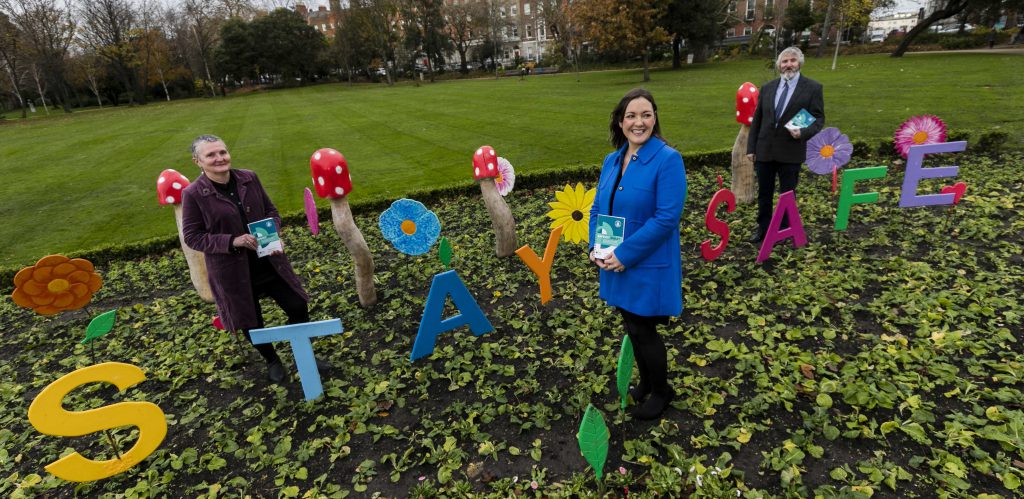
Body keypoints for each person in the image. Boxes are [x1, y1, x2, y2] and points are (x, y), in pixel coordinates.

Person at [588, 89, 687, 420]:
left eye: (646, 114)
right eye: (631, 115)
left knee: (644, 330)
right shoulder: (613, 159)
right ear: (620, 121)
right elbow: (600, 207)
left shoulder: (667, 159)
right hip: (615, 262)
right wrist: (596, 247)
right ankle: (646, 382)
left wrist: (625, 254)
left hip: (644, 263)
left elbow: (666, 218)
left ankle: (662, 391)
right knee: (631, 326)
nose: (638, 122)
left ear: (655, 118)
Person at [181, 135, 311, 383]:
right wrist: (233, 241)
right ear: (198, 161)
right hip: (232, 270)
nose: (219, 158)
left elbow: (271, 211)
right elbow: (193, 236)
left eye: (222, 152)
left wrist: (271, 234)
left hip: (269, 261)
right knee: (249, 319)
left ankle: (302, 352)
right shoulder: (194, 194)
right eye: (211, 155)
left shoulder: (249, 178)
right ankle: (271, 359)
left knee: (297, 305)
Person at [746, 46, 825, 242]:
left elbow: (818, 117)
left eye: (792, 60)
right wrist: (751, 148)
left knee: (787, 195)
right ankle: (763, 229)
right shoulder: (767, 88)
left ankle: (782, 230)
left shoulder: (813, 88)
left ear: (799, 63)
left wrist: (803, 132)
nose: (788, 64)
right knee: (764, 193)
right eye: (784, 61)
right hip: (765, 150)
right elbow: (758, 120)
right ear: (779, 65)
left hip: (791, 149)